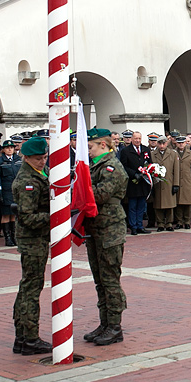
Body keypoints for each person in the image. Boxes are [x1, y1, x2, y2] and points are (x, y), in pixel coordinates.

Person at [82, 128, 129, 346]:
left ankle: (115, 326)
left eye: (90, 147)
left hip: (110, 229)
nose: (87, 151)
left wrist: (81, 188)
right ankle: (104, 323)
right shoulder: (96, 165)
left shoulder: (112, 166)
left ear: (103, 145)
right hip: (96, 228)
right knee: (99, 280)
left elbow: (101, 194)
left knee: (110, 279)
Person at [11, 136, 53, 356]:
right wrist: (55, 215)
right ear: (26, 157)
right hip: (32, 239)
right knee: (31, 289)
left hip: (37, 239)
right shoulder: (27, 181)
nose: (42, 162)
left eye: (44, 157)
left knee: (29, 287)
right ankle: (29, 337)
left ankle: (22, 337)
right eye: (38, 158)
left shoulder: (38, 174)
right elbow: (28, 217)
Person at [119, 131, 152, 235]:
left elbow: (149, 163)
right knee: (133, 205)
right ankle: (133, 226)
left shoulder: (146, 149)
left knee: (141, 205)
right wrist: (134, 174)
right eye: (136, 138)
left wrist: (147, 171)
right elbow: (124, 166)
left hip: (143, 182)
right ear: (132, 139)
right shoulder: (126, 151)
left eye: (139, 139)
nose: (137, 141)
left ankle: (140, 226)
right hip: (133, 182)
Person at [151, 136, 180, 231]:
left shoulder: (173, 154)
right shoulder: (153, 154)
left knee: (169, 204)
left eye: (163, 143)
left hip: (169, 182)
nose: (162, 146)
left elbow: (176, 170)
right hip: (157, 183)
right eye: (160, 143)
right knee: (158, 204)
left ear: (167, 143)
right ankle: (160, 223)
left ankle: (169, 223)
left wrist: (176, 184)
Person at [0, 139, 21, 246]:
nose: (10, 149)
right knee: (6, 214)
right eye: (7, 148)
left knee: (14, 214)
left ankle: (14, 236)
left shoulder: (18, 160)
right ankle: (7, 238)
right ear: (3, 149)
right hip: (6, 191)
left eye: (11, 147)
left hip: (16, 191)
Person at [173, 136, 191, 228]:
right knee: (178, 203)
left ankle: (187, 221)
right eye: (179, 143)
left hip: (188, 181)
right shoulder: (173, 153)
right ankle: (179, 222)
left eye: (182, 143)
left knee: (187, 203)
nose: (181, 144)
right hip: (177, 180)